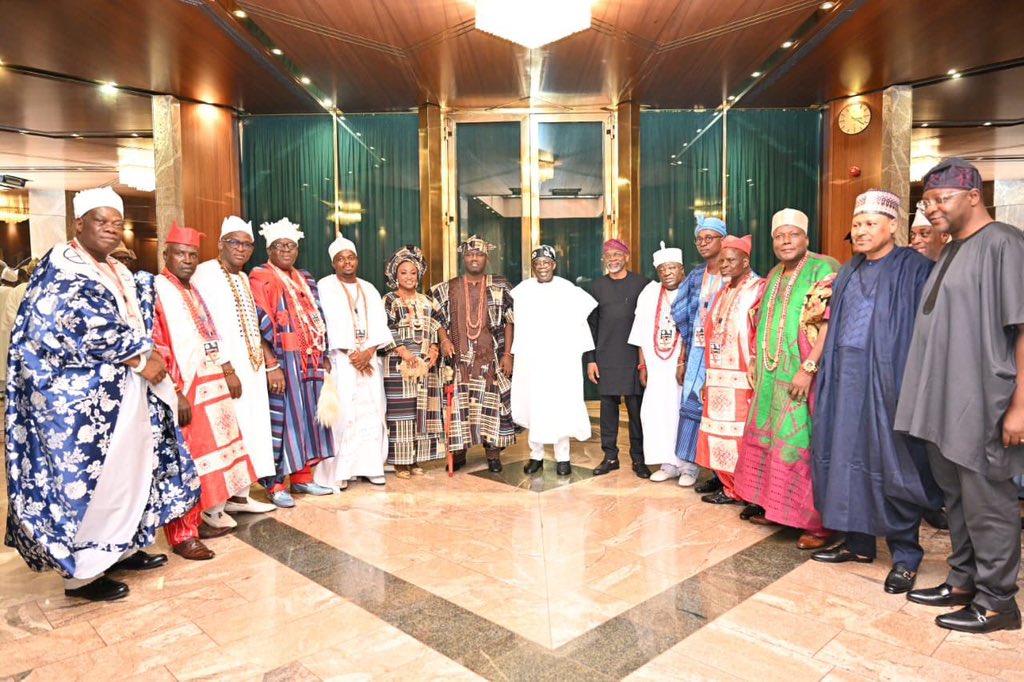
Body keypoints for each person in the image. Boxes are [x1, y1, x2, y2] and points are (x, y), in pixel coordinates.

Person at [5, 187, 198, 602]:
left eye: (116, 223)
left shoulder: (113, 267)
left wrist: (145, 357)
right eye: (101, 221)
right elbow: (77, 325)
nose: (111, 230)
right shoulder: (62, 269)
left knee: (129, 471)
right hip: (82, 403)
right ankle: (82, 574)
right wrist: (136, 357)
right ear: (79, 223)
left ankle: (120, 547)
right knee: (93, 480)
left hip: (125, 395)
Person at [897, 158, 1024, 633]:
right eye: (926, 201)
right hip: (941, 401)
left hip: (982, 400)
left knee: (987, 501)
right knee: (957, 497)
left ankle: (998, 603)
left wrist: (1019, 406)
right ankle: (964, 581)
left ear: (973, 196)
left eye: (940, 199)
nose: (931, 209)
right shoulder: (952, 249)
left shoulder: (1005, 244)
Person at [809, 190, 940, 595]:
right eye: (856, 224)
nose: (861, 232)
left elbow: (930, 332)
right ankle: (859, 543)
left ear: (892, 227)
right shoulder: (848, 271)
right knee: (844, 458)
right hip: (845, 382)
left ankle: (905, 556)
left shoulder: (915, 268)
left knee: (893, 464)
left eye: (869, 224)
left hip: (889, 384)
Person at [733, 208, 839, 550]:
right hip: (769, 373)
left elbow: (829, 321)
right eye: (779, 236)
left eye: (792, 235)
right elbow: (760, 319)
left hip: (804, 374)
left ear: (806, 238)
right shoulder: (775, 273)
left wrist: (809, 367)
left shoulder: (824, 267)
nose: (785, 241)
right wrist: (755, 360)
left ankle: (816, 523)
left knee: (801, 444)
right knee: (769, 439)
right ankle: (778, 510)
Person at [154, 224, 258, 561]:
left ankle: (201, 519)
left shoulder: (191, 288)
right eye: (180, 254)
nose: (186, 260)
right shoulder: (158, 289)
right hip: (183, 386)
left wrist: (225, 369)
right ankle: (182, 535)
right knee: (187, 459)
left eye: (192, 255)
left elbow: (207, 334)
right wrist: (174, 391)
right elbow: (158, 345)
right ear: (165, 255)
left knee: (213, 457)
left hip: (208, 380)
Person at [192, 217, 278, 516]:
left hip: (251, 367)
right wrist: (226, 368)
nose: (241, 249)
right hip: (223, 370)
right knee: (227, 433)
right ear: (220, 244)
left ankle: (240, 497)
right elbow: (205, 325)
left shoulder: (243, 278)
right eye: (234, 242)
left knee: (251, 430)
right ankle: (215, 505)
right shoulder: (204, 274)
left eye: (246, 244)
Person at [249, 218, 335, 502]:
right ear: (270, 250)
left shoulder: (306, 278)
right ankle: (275, 485)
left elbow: (318, 317)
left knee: (309, 421)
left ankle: (302, 478)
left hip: (309, 360)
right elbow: (257, 325)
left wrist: (323, 355)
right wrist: (272, 364)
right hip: (283, 361)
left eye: (291, 245)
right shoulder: (260, 276)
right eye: (279, 246)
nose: (286, 250)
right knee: (283, 422)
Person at [314, 236, 395, 489]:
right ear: (333, 263)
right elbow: (323, 323)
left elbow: (381, 325)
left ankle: (371, 467)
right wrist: (352, 354)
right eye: (340, 259)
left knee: (372, 411)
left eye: (350, 257)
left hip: (368, 360)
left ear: (357, 260)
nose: (346, 262)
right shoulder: (325, 286)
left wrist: (368, 352)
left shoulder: (369, 288)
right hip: (341, 360)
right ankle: (344, 471)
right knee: (345, 414)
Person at [431, 236, 517, 473]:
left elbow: (510, 321)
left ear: (486, 258)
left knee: (491, 405)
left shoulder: (500, 286)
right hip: (459, 360)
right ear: (463, 258)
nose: (474, 259)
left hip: (490, 358)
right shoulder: (448, 287)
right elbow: (435, 316)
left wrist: (508, 354)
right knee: (460, 405)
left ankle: (492, 453)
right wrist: (445, 339)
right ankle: (459, 452)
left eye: (478, 255)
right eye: (469, 255)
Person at [511, 245, 597, 476]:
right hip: (533, 360)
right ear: (533, 267)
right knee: (535, 405)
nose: (542, 268)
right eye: (538, 264)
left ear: (554, 265)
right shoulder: (523, 290)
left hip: (561, 361)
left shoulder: (567, 289)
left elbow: (583, 319)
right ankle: (535, 456)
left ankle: (563, 458)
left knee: (561, 406)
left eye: (546, 263)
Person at [696, 235, 765, 505]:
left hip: (744, 377)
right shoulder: (722, 293)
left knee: (740, 435)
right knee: (718, 435)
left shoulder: (758, 289)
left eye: (730, 260)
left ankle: (745, 489)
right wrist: (705, 378)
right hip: (717, 376)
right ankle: (728, 488)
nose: (724, 265)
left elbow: (759, 334)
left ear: (745, 261)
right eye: (722, 260)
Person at [669, 216, 729, 487]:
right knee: (692, 406)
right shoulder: (694, 277)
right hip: (696, 353)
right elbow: (683, 319)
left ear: (723, 240)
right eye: (700, 239)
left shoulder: (735, 274)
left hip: (728, 357)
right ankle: (691, 466)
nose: (703, 243)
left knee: (723, 412)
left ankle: (722, 475)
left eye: (710, 238)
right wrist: (682, 358)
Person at [380, 245, 446, 477]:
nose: (409, 277)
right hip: (398, 365)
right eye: (403, 273)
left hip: (425, 365)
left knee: (421, 411)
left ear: (419, 275)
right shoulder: (388, 300)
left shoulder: (428, 301)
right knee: (401, 413)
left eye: (413, 272)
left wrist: (435, 350)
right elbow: (385, 329)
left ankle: (415, 460)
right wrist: (405, 353)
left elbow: (438, 328)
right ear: (395, 276)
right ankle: (400, 462)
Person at [587, 239, 650, 478]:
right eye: (608, 256)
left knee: (636, 412)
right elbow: (591, 326)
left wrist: (646, 362)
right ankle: (610, 456)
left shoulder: (643, 285)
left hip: (633, 357)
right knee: (608, 412)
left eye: (616, 255)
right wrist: (591, 359)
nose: (612, 260)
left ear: (626, 257)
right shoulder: (597, 287)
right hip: (605, 357)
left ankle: (639, 459)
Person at [630, 242, 686, 483]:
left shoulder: (691, 291)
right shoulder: (649, 293)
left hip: (682, 367)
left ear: (682, 269)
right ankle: (667, 463)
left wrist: (683, 361)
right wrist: (642, 365)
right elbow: (640, 332)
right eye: (662, 268)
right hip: (655, 366)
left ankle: (687, 467)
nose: (667, 272)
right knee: (657, 413)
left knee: (683, 412)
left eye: (672, 267)